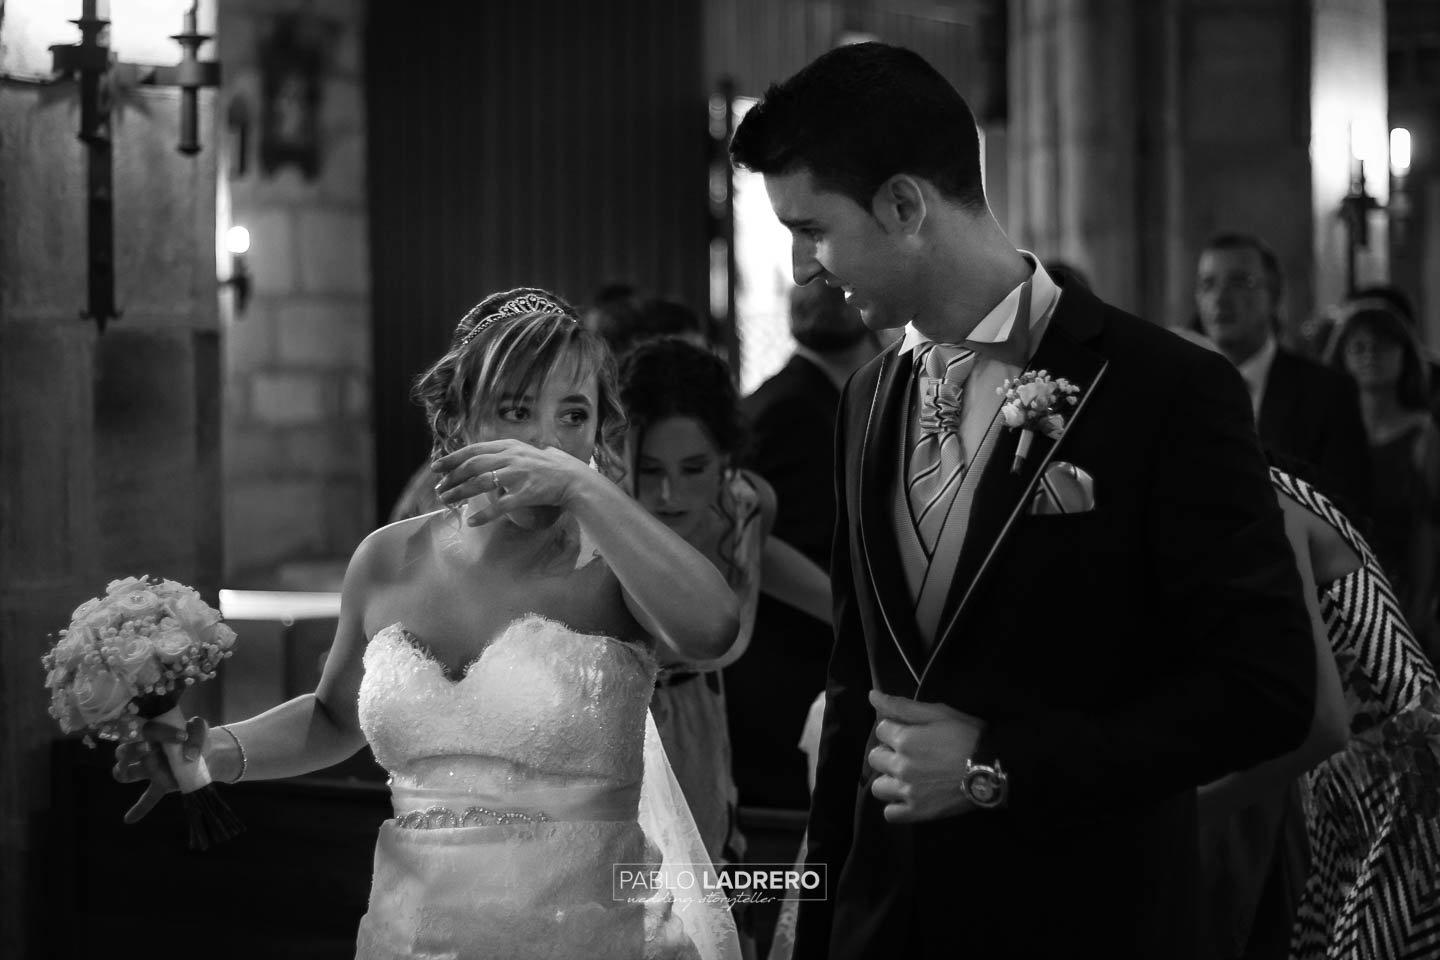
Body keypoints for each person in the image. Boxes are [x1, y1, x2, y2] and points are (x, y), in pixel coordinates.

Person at [729, 42, 1317, 959]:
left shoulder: (1167, 390)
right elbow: (856, 692)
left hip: (1084, 918)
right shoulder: (864, 402)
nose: (804, 267)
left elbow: (1267, 692)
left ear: (903, 206)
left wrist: (996, 765)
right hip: (886, 927)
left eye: (812, 228)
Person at [114, 289, 743, 960]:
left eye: (574, 415)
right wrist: (216, 753)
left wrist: (584, 490)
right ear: (462, 418)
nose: (547, 443)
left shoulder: (613, 562)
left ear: (599, 433)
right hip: (407, 937)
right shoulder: (387, 559)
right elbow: (333, 719)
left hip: (590, 938)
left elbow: (713, 630)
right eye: (518, 410)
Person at [1196, 465, 1440, 960]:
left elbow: (1324, 726)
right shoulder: (1257, 500)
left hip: (1405, 780)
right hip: (1355, 791)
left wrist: (1184, 815)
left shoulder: (1269, 505)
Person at [618, 337, 830, 868]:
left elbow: (774, 572)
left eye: (693, 468)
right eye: (648, 469)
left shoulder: (744, 511)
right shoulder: (593, 527)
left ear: (726, 458)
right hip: (609, 757)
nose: (669, 494)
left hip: (703, 743)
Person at [729, 281, 881, 810]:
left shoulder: (817, 396)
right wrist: (864, 623)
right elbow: (755, 545)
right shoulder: (791, 408)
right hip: (787, 667)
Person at [1193, 232, 1373, 518]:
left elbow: (1345, 502)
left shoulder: (1326, 392)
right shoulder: (1185, 389)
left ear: (1273, 294)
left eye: (1239, 282)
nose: (1220, 298)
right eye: (1208, 284)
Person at [1327, 299, 1440, 663]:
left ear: (1404, 354)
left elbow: (1429, 524)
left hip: (1403, 587)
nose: (1369, 355)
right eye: (1357, 346)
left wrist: (1422, 603)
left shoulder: (1423, 433)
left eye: (1382, 345)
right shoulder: (1328, 429)